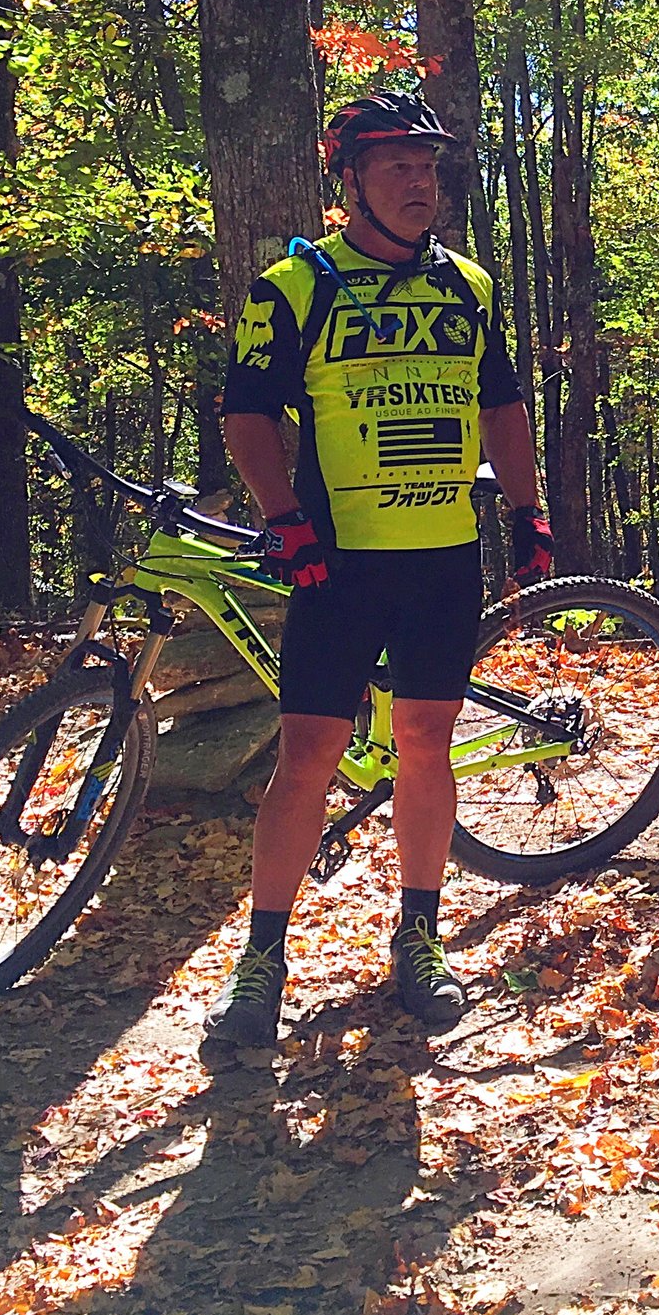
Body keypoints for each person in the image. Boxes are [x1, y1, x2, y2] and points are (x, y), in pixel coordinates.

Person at [203, 88, 552, 1052]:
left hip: (442, 556)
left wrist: (527, 514)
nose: (418, 182)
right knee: (308, 753)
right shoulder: (297, 284)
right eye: (396, 165)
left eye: (428, 165)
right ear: (349, 181)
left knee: (425, 744)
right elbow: (247, 414)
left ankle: (420, 940)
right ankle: (260, 964)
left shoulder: (469, 286)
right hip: (341, 564)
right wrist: (285, 519)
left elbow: (504, 409)